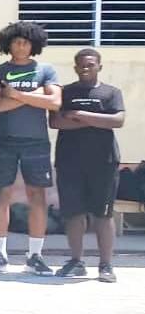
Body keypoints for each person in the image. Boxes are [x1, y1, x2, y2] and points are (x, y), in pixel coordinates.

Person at [0, 20, 61, 275]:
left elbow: (54, 102)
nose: (21, 46)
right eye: (16, 42)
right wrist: (35, 96)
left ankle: (35, 256)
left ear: (34, 44)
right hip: (3, 140)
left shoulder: (45, 70)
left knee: (37, 197)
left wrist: (16, 95)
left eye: (26, 42)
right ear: (8, 44)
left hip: (36, 142)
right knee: (1, 196)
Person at [51, 49, 125, 282]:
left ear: (99, 67)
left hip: (103, 162)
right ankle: (76, 262)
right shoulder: (65, 92)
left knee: (103, 214)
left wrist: (78, 115)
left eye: (90, 64)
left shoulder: (111, 92)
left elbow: (117, 120)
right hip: (69, 162)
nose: (85, 68)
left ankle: (106, 266)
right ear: (75, 67)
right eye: (81, 65)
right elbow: (56, 122)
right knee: (73, 214)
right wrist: (97, 120)